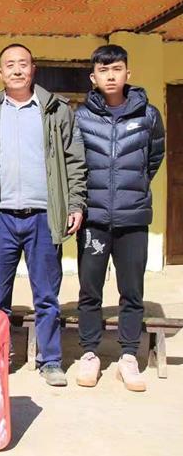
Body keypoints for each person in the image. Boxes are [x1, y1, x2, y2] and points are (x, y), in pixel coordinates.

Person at [0, 43, 87, 387]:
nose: (17, 70)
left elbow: (75, 160)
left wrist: (75, 203)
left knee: (47, 296)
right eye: (10, 64)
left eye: (23, 64)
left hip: (43, 216)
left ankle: (50, 360)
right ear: (0, 73)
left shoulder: (56, 110)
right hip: (2, 217)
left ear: (33, 69)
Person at [74, 44, 164, 392]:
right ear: (93, 77)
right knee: (89, 289)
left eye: (116, 69)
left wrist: (134, 187)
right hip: (94, 219)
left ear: (128, 73)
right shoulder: (82, 117)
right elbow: (76, 163)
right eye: (103, 70)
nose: (110, 76)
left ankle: (128, 356)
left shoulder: (148, 115)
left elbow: (153, 158)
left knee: (132, 290)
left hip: (133, 218)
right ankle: (89, 353)